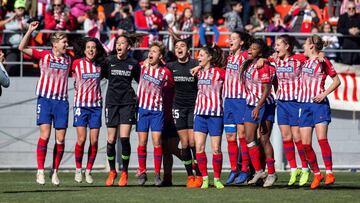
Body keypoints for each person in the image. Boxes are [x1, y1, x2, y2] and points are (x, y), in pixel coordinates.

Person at [18, 21, 71, 186]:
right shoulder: (44, 55)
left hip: (62, 102)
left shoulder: (69, 59)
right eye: (63, 42)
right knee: (45, 135)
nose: (66, 44)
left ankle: (55, 171)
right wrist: (30, 31)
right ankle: (40, 171)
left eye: (66, 42)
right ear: (55, 44)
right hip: (45, 100)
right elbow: (21, 47)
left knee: (60, 140)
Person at [298, 35, 341, 189]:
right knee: (305, 144)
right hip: (304, 105)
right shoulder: (302, 60)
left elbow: (337, 81)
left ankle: (329, 172)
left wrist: (324, 94)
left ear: (311, 46)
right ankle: (317, 174)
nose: (303, 46)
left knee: (322, 139)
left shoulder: (323, 61)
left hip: (319, 105)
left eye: (305, 44)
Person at [268, 34, 310, 186]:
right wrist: (262, 59)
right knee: (286, 137)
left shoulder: (299, 59)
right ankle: (293, 169)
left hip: (296, 102)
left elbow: (313, 57)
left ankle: (305, 168)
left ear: (287, 46)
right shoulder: (275, 60)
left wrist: (321, 56)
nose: (276, 47)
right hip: (282, 103)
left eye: (278, 44)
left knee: (297, 137)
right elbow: (259, 56)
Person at [103, 34, 142, 187]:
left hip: (127, 103)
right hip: (111, 103)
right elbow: (100, 77)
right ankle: (112, 171)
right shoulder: (109, 61)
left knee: (124, 139)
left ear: (128, 47)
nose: (119, 45)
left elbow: (141, 81)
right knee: (111, 140)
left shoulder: (133, 63)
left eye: (122, 43)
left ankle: (124, 172)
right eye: (117, 43)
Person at [136, 41, 174, 186]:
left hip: (157, 111)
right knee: (142, 142)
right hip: (142, 109)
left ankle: (157, 174)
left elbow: (171, 86)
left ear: (161, 56)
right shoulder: (141, 67)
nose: (151, 53)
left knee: (157, 141)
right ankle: (142, 171)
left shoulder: (165, 72)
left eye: (155, 51)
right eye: (150, 51)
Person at [166, 39, 202, 188]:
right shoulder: (170, 66)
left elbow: (211, 66)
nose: (179, 48)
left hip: (193, 107)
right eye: (176, 47)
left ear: (188, 50)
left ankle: (199, 175)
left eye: (182, 46)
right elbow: (155, 67)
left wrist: (201, 66)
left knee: (194, 142)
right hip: (178, 108)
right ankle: (190, 176)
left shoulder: (195, 64)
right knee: (185, 143)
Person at [241, 38, 277, 187]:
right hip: (250, 105)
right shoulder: (249, 63)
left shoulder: (263, 67)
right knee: (248, 138)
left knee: (264, 140)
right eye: (250, 48)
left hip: (264, 105)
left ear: (260, 52)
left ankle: (272, 173)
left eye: (254, 49)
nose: (250, 50)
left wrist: (258, 106)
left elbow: (267, 90)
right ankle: (259, 171)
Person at [71, 37, 107, 184]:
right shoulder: (76, 64)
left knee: (94, 140)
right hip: (80, 105)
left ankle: (89, 170)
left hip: (96, 106)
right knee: (81, 139)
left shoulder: (100, 65)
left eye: (93, 47)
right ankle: (78, 169)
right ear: (84, 50)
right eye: (88, 47)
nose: (91, 50)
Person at [192, 44, 226, 189]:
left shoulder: (219, 73)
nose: (198, 57)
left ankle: (217, 178)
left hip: (215, 115)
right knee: (199, 148)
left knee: (216, 148)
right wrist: (199, 68)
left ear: (210, 57)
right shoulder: (198, 73)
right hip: (200, 114)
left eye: (201, 55)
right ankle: (205, 178)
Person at [222, 31, 252, 185]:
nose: (230, 40)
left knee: (242, 136)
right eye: (230, 38)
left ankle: (245, 170)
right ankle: (234, 169)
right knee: (230, 137)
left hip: (241, 100)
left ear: (241, 42)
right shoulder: (228, 58)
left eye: (234, 38)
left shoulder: (245, 55)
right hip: (228, 102)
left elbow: (260, 57)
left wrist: (262, 61)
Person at [337, 1, 360, 65]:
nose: (351, 10)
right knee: (346, 66)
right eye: (349, 8)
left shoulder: (359, 17)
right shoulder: (342, 17)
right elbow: (339, 29)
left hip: (357, 45)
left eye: (353, 8)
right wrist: (348, 31)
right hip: (346, 45)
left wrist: (358, 31)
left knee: (357, 66)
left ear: (356, 9)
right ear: (346, 9)